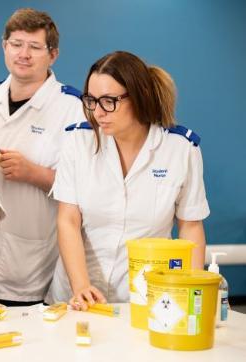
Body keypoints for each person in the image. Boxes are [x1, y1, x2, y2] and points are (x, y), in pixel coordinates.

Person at [47, 51, 209, 309]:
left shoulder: (181, 149)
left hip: (149, 297)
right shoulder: (78, 142)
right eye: (91, 100)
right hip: (78, 296)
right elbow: (68, 219)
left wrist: (192, 295)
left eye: (109, 101)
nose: (98, 112)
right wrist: (81, 286)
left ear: (140, 96)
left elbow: (190, 226)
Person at [0, 8, 85, 306]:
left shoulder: (72, 109)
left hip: (30, 261)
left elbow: (87, 190)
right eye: (16, 44)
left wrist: (33, 173)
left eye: (35, 47)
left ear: (53, 55)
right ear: (4, 46)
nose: (23, 54)